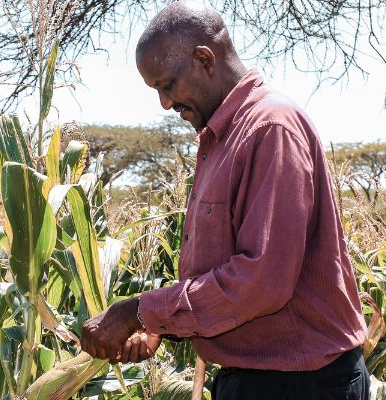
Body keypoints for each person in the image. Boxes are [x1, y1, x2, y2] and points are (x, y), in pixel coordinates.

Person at [79, 1, 369, 398]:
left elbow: (260, 282)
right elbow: (220, 273)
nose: (165, 104)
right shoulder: (221, 139)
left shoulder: (270, 129)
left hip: (301, 382)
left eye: (167, 86)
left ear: (204, 59)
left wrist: (137, 311)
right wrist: (159, 327)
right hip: (259, 378)